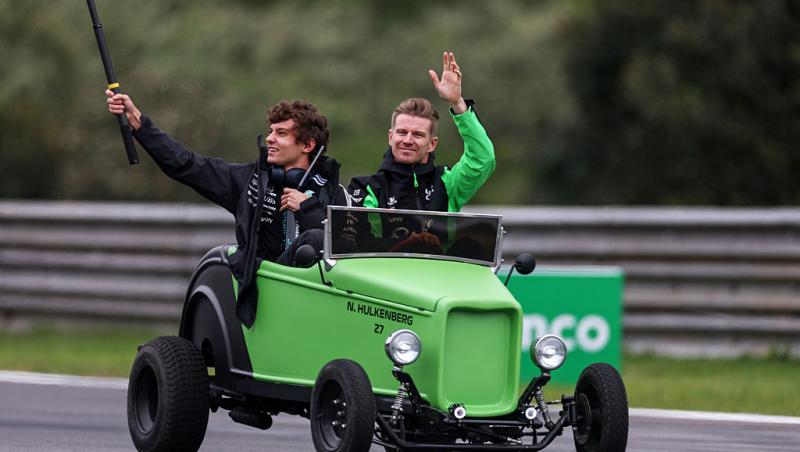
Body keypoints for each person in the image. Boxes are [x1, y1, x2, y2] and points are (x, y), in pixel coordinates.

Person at [105, 91, 346, 326]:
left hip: (318, 303)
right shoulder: (248, 181)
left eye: (281, 133)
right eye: (271, 131)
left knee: (314, 239)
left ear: (307, 145)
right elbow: (186, 164)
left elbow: (348, 250)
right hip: (267, 296)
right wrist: (139, 123)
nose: (270, 138)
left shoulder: (336, 194)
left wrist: (307, 208)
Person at [347, 51, 495, 248]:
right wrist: (406, 245)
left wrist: (457, 103)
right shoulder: (367, 188)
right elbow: (361, 244)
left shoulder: (448, 183)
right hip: (388, 274)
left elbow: (482, 159)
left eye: (417, 135)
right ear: (390, 137)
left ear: (432, 144)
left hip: (438, 275)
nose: (407, 140)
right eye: (401, 132)